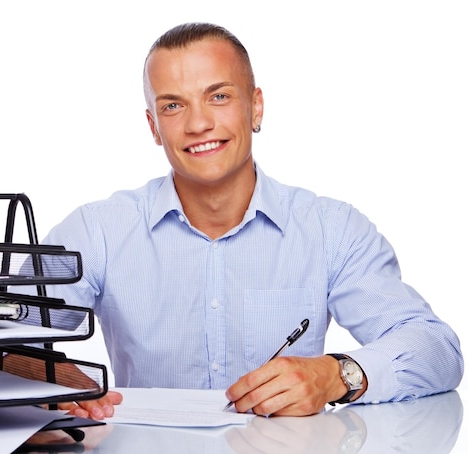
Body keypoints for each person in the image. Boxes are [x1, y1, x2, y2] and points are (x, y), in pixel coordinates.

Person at [41, 22, 463, 420]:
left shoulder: (331, 230)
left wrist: (336, 375)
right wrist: (42, 377)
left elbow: (436, 348)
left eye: (219, 96)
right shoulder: (95, 232)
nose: (199, 123)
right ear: (154, 126)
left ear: (255, 107)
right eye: (173, 105)